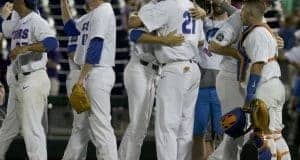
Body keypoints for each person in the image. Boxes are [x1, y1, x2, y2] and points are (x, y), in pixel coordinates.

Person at [128, 0, 204, 159]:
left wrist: (140, 17)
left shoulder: (167, 5)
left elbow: (132, 23)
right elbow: (201, 41)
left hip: (174, 68)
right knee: (185, 126)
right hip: (193, 68)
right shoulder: (193, 7)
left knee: (166, 126)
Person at [0, 0, 59, 159]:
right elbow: (2, 28)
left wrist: (25, 48)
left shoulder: (36, 19)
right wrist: (2, 16)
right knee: (8, 128)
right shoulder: (17, 20)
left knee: (31, 130)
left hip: (33, 78)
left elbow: (52, 42)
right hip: (19, 81)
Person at [61, 0, 118, 159]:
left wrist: (81, 79)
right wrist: (63, 3)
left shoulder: (104, 10)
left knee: (101, 128)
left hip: (97, 72)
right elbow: (70, 28)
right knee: (80, 128)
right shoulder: (90, 15)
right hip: (88, 72)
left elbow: (96, 44)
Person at [239, 1, 291, 159]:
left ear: (249, 13)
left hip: (264, 89)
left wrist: (249, 96)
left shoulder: (257, 34)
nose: (240, 14)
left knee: (262, 135)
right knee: (276, 134)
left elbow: (258, 65)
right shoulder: (267, 32)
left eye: (243, 11)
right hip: (275, 85)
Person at [192, 2, 227, 160]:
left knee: (223, 135)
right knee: (200, 134)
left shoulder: (235, 21)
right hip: (202, 87)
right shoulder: (201, 20)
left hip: (224, 87)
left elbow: (258, 23)